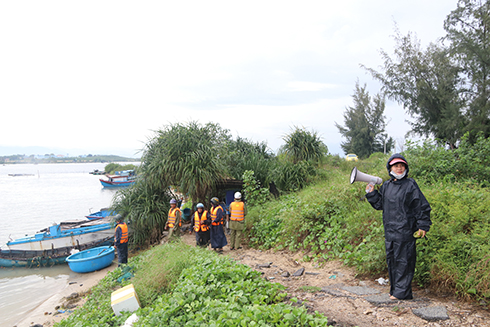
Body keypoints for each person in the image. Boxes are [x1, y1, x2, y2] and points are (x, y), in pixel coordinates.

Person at [365, 153, 432, 300]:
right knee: (393, 261)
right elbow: (380, 205)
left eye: (402, 166)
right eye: (396, 166)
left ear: (406, 168)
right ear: (390, 168)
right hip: (390, 231)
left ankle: (402, 293)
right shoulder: (387, 185)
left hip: (405, 230)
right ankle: (395, 290)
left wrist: (423, 225)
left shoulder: (410, 184)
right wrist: (371, 194)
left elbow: (421, 206)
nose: (399, 168)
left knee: (405, 262)